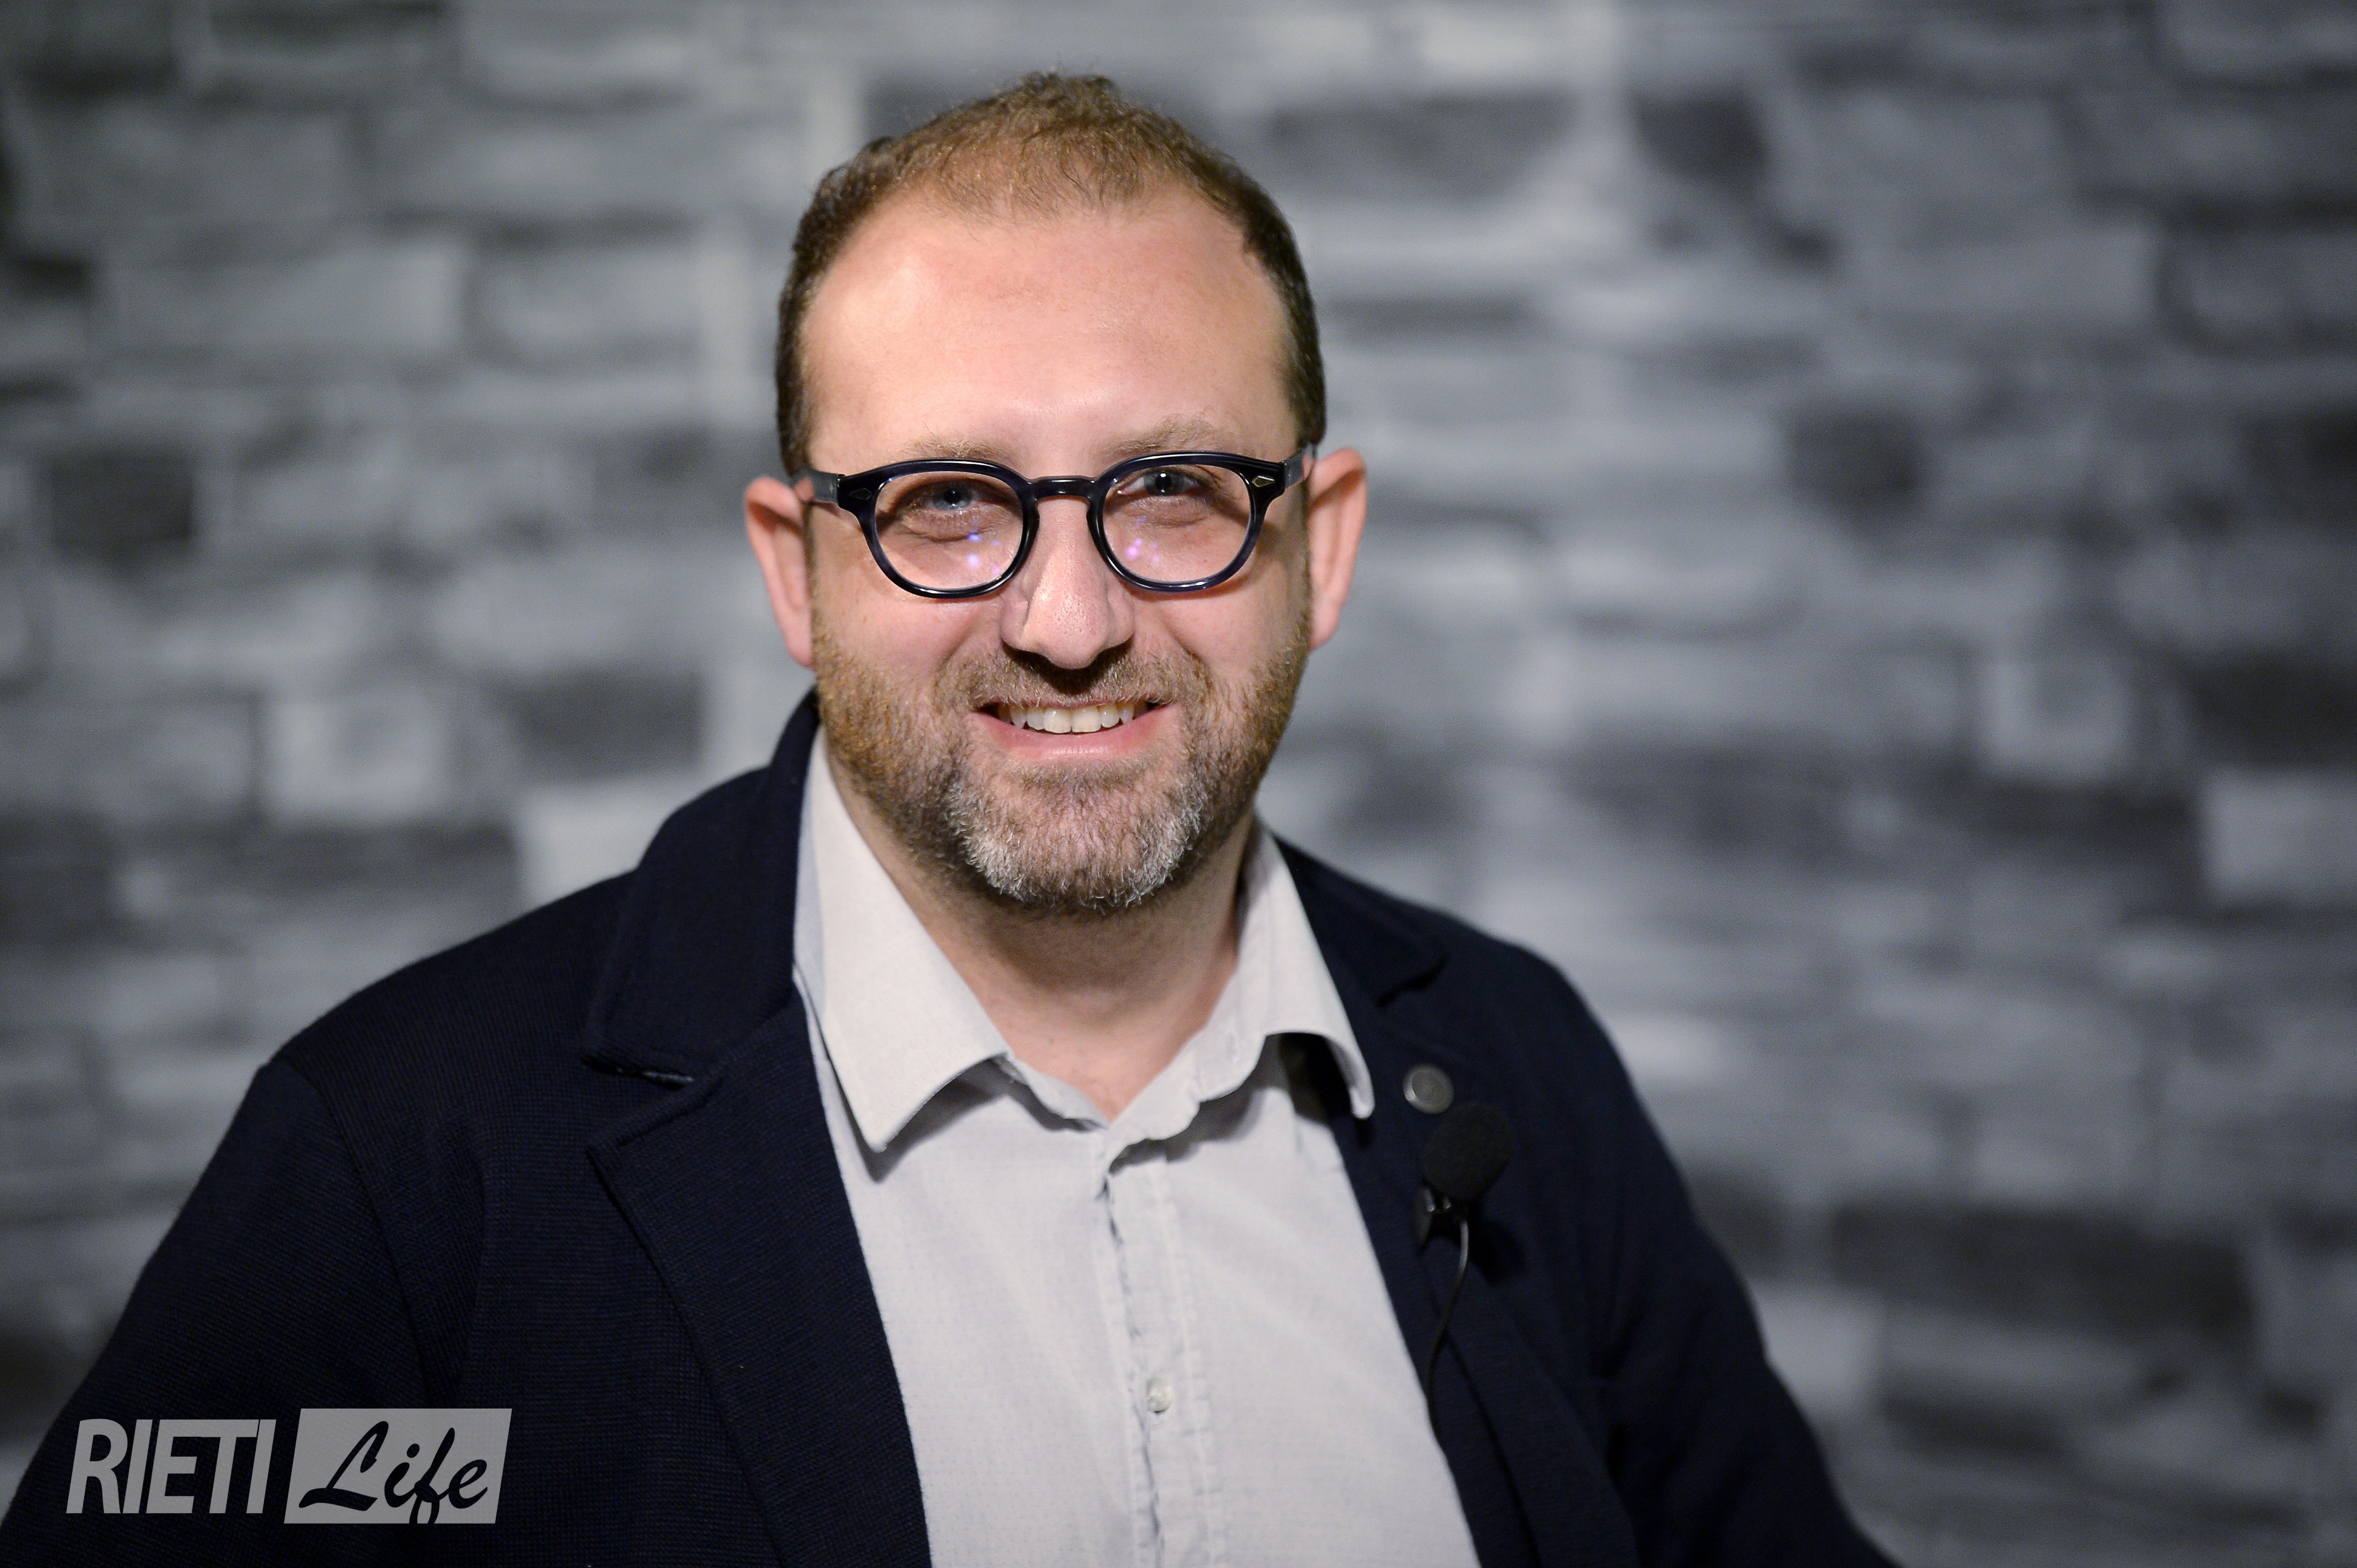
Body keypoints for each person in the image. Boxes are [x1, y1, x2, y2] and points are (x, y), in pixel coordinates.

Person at [1, 75, 1892, 1566]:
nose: (1067, 622)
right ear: (796, 570)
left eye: (1174, 492)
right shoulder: (413, 1163)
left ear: (1319, 551)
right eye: (946, 506)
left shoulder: (1520, 1070)